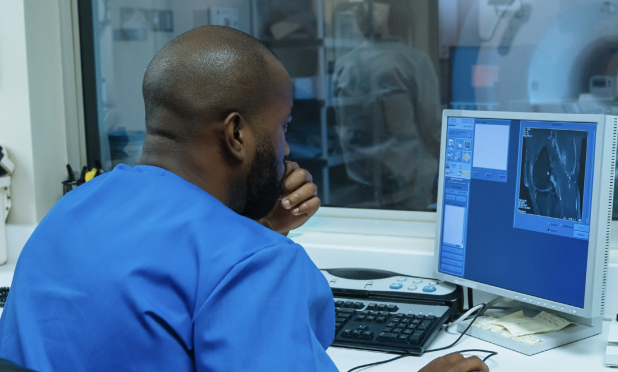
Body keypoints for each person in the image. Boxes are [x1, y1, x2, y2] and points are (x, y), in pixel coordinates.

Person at [0, 26, 487, 372]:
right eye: (283, 127)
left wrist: (257, 228)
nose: (288, 149)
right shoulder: (255, 265)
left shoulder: (72, 210)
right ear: (236, 134)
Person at [333, 1, 442, 210]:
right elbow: (434, 128)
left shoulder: (344, 65)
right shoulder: (414, 62)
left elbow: (342, 127)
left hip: (361, 180)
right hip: (407, 181)